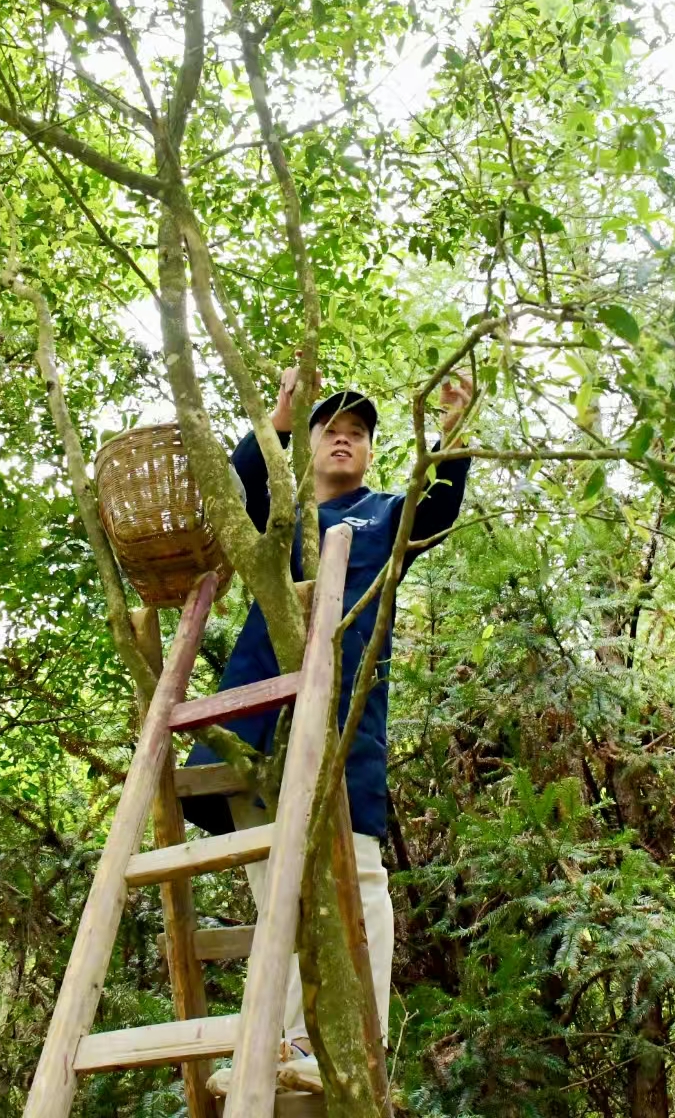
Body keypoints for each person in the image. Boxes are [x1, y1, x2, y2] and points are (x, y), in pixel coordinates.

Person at [187, 366, 473, 1092]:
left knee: (362, 879)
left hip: (345, 725)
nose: (343, 440)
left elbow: (434, 510)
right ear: (309, 447)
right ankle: (283, 1047)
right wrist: (276, 423)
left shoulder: (381, 514)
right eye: (329, 430)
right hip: (256, 722)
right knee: (274, 891)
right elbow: (227, 494)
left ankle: (354, 1046)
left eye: (357, 434)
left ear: (371, 454)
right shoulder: (279, 517)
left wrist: (455, 430)